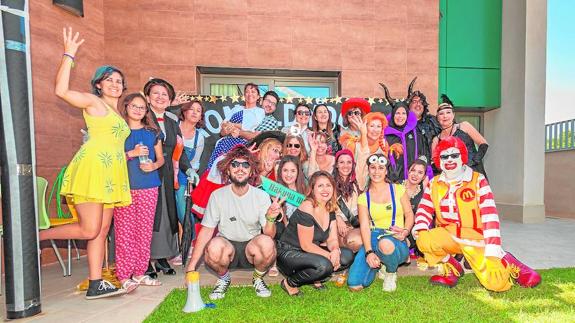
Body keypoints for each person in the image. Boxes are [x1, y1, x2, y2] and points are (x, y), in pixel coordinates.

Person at [40, 27, 130, 299]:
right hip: (93, 170)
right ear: (99, 84)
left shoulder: (117, 112)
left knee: (100, 231)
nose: (115, 84)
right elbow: (61, 90)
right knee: (90, 228)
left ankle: (95, 282)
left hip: (111, 174)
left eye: (118, 81)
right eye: (109, 80)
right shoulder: (94, 102)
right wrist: (69, 54)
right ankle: (36, 236)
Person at [412, 136, 541, 291]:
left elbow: (490, 216)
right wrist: (420, 228)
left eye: (454, 155)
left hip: (475, 239)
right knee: (423, 238)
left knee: (497, 284)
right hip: (448, 235)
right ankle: (452, 268)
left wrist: (493, 248)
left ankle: (508, 261)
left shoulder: (477, 180)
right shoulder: (434, 183)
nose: (450, 160)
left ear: (462, 156)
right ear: (439, 160)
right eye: (445, 156)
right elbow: (425, 209)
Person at [185, 145, 283, 299]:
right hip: (227, 247)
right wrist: (191, 266)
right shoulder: (217, 196)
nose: (240, 169)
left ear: (251, 171)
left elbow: (269, 234)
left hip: (252, 248)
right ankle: (224, 278)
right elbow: (206, 231)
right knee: (213, 247)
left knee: (267, 243)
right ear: (228, 170)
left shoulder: (261, 196)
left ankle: (257, 279)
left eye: (245, 165)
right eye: (235, 164)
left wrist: (271, 217)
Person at [114, 93, 164, 292]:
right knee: (125, 233)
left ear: (146, 111)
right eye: (134, 106)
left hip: (149, 186)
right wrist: (130, 154)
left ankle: (140, 273)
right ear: (126, 107)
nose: (137, 110)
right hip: (124, 188)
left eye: (142, 107)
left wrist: (153, 166)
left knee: (144, 232)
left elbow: (161, 159)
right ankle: (124, 276)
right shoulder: (118, 131)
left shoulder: (153, 132)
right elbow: (109, 157)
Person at [144, 78, 194, 277]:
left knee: (166, 217)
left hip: (167, 174)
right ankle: (145, 260)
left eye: (164, 94)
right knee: (149, 217)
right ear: (147, 97)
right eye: (155, 93)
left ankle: (163, 257)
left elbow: (178, 150)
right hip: (146, 172)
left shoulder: (173, 121)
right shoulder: (142, 117)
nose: (160, 97)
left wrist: (188, 169)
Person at [277, 171, 354, 296]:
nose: (325, 189)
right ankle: (289, 283)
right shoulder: (307, 206)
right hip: (290, 253)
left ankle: (315, 277)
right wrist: (329, 257)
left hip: (310, 252)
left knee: (347, 255)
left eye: (328, 185)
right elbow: (306, 245)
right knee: (325, 265)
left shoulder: (329, 206)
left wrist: (334, 250)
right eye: (320, 186)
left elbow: (332, 239)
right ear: (312, 189)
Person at [347, 154, 414, 292]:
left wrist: (405, 231)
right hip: (373, 237)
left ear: (386, 171)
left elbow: (409, 214)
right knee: (355, 284)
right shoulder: (363, 198)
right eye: (373, 168)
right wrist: (369, 252)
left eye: (381, 168)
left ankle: (390, 271)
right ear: (368, 170)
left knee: (385, 244)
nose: (376, 172)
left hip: (395, 238)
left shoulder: (398, 190)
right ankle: (381, 260)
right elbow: (365, 227)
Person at [207, 83, 265, 168]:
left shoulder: (260, 111)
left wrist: (233, 125)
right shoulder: (236, 108)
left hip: (243, 146)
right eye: (247, 92)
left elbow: (250, 127)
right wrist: (226, 128)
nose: (250, 94)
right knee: (216, 171)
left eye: (253, 92)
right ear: (244, 95)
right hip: (225, 144)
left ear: (258, 96)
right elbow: (224, 125)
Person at [432, 94, 489, 178]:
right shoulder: (436, 139)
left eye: (448, 112)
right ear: (437, 117)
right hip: (452, 177)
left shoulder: (464, 126)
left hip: (473, 172)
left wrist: (473, 162)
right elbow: (435, 161)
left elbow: (483, 144)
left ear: (453, 115)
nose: (445, 116)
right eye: (441, 113)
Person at [268, 155, 307, 277]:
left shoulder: (305, 190)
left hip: (300, 228)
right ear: (280, 172)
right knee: (276, 225)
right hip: (283, 228)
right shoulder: (275, 190)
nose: (289, 174)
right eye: (285, 170)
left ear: (298, 172)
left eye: (292, 171)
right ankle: (273, 262)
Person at [382, 83, 428, 182]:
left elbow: (423, 154)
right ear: (393, 115)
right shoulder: (385, 135)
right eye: (397, 113)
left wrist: (425, 175)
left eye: (403, 113)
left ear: (407, 115)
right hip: (392, 182)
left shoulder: (415, 133)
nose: (400, 116)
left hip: (413, 182)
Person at [175, 100, 207, 225]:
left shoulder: (199, 137)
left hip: (184, 177)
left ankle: (191, 241)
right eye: (192, 109)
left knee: (184, 212)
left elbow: (195, 163)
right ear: (184, 111)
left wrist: (191, 176)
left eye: (198, 111)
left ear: (200, 117)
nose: (195, 112)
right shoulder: (173, 126)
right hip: (166, 174)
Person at [406, 77, 440, 164]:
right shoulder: (403, 124)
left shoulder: (433, 122)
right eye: (414, 101)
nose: (418, 104)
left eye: (421, 102)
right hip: (409, 170)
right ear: (408, 106)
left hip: (431, 170)